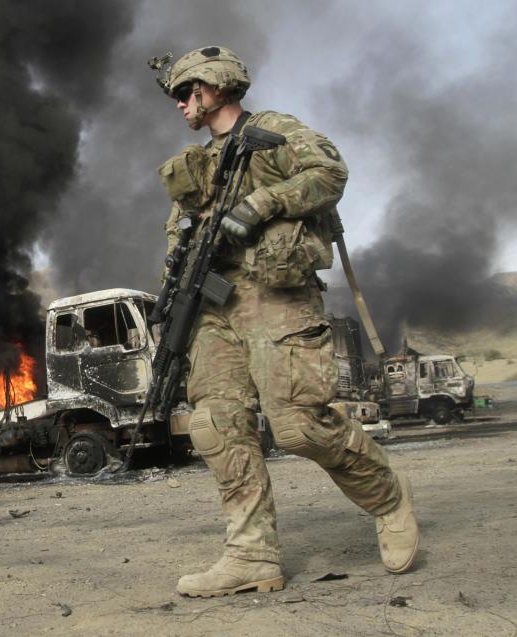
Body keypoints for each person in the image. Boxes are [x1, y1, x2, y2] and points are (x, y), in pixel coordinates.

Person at [155, 46, 419, 597]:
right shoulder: (198, 165)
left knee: (298, 424)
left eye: (187, 91)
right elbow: (179, 231)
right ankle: (251, 555)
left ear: (216, 85)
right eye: (177, 95)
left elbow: (329, 172)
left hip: (274, 293)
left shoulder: (273, 131)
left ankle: (386, 495)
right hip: (211, 307)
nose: (180, 103)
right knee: (217, 426)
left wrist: (265, 204)